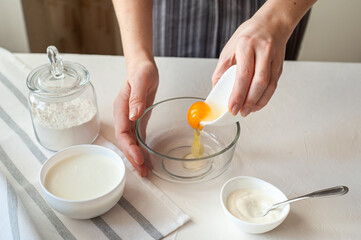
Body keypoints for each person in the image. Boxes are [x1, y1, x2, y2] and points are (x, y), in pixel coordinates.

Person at [112, 0, 317, 177]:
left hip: (272, 8)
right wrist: (139, 59)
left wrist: (277, 18)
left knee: (260, 76)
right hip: (178, 14)